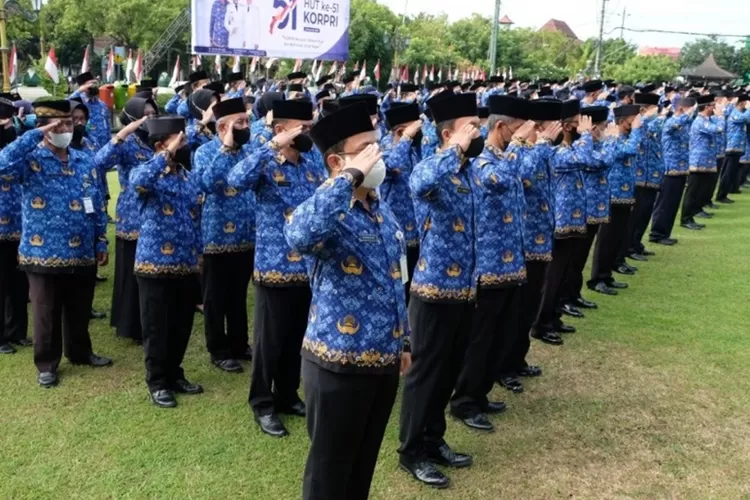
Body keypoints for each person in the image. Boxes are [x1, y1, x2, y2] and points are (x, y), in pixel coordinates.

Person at [283, 101, 410, 500]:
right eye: (367, 149)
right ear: (337, 160)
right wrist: (346, 177)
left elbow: (395, 279)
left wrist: (403, 341)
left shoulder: (378, 207)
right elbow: (299, 235)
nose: (379, 155)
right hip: (337, 362)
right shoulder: (328, 209)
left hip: (383, 359)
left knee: (362, 462)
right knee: (329, 470)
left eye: (379, 145)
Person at [398, 91, 481, 489]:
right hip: (432, 290)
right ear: (449, 133)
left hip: (464, 289)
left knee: (448, 371)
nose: (476, 133)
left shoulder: (468, 171)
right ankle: (411, 451)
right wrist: (455, 148)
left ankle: (434, 439)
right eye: (470, 127)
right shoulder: (432, 167)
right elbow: (420, 181)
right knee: (425, 375)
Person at [0, 100, 111, 387]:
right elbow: (2, 165)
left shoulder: (84, 159)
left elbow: (96, 202)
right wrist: (32, 135)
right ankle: (47, 363)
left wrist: (100, 240)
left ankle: (80, 351)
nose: (65, 128)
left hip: (82, 248)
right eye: (57, 124)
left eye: (69, 123)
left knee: (79, 306)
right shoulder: (29, 159)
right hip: (43, 251)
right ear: (44, 128)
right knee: (46, 310)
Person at [227, 99, 320, 437]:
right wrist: (271, 147)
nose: (309, 133)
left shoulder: (311, 164)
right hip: (275, 267)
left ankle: (287, 394)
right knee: (269, 343)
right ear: (282, 130)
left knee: (296, 338)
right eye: (303, 128)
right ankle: (263, 404)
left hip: (307, 268)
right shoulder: (265, 161)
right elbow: (236, 178)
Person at [449, 95, 530, 432]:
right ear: (501, 127)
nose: (520, 137)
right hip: (488, 266)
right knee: (480, 338)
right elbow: (500, 181)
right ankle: (464, 401)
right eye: (516, 130)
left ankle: (480, 394)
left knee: (498, 334)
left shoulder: (504, 157)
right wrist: (521, 146)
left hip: (510, 264)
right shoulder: (482, 161)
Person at [130, 117, 203, 408]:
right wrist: (165, 154)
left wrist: (198, 254)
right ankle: (158, 381)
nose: (185, 146)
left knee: (181, 325)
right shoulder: (147, 173)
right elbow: (138, 182)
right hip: (154, 265)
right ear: (162, 145)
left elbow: (195, 216)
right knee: (157, 327)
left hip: (185, 263)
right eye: (180, 141)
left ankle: (175, 373)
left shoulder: (187, 176)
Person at [198, 98, 255, 373]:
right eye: (240, 122)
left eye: (247, 121)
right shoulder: (205, 152)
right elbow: (206, 184)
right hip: (216, 237)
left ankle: (239, 343)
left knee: (238, 294)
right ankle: (218, 349)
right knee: (215, 296)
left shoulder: (251, 151)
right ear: (222, 127)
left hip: (247, 235)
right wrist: (225, 149)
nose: (246, 126)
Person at [96, 97, 158, 344]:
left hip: (156, 213)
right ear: (132, 117)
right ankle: (129, 324)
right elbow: (99, 162)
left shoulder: (158, 140)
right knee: (130, 272)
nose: (149, 118)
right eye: (144, 114)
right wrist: (122, 134)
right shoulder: (127, 143)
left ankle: (150, 321)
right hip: (132, 215)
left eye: (153, 113)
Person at [531, 100, 593, 343]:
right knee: (553, 275)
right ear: (567, 127)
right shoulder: (555, 152)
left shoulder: (566, 149)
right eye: (578, 125)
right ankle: (541, 322)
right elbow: (584, 159)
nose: (583, 129)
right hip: (560, 220)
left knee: (563, 272)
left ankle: (553, 316)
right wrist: (587, 136)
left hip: (573, 219)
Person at [517, 100, 563, 349]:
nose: (556, 133)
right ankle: (507, 364)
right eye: (551, 128)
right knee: (520, 308)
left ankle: (518, 358)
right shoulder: (523, 152)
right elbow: (523, 175)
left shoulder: (544, 153)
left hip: (542, 239)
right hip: (525, 243)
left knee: (532, 302)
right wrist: (543, 143)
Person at [560, 106, 612, 317]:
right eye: (601, 128)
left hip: (590, 207)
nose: (605, 131)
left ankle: (573, 293)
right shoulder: (581, 146)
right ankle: (564, 298)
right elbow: (599, 162)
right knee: (572, 259)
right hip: (582, 208)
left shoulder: (587, 145)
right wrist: (606, 141)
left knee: (580, 258)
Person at [588, 104, 643, 295]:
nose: (635, 124)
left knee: (617, 238)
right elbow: (629, 151)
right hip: (612, 194)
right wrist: (636, 130)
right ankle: (597, 278)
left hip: (625, 194)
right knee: (606, 239)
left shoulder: (624, 137)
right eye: (632, 121)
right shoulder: (612, 139)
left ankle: (607, 274)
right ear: (622, 121)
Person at [381, 102, 423, 301]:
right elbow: (390, 166)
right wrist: (405, 138)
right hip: (396, 234)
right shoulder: (387, 150)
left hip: (416, 232)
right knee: (399, 288)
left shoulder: (413, 152)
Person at [0, 98, 30, 355]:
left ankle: (17, 331)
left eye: (10, 121)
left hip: (20, 225)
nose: (8, 126)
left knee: (19, 283)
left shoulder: (15, 146)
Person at [649, 97, 695, 245]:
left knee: (673, 204)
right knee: (665, 204)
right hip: (670, 169)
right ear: (681, 109)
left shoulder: (684, 123)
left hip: (681, 169)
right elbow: (674, 125)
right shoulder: (669, 122)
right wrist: (687, 114)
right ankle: (656, 233)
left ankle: (665, 233)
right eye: (690, 109)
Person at [627, 92, 664, 262]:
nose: (657, 113)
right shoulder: (637, 124)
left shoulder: (652, 123)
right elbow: (639, 138)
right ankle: (629, 246)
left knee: (645, 213)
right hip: (639, 176)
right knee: (636, 215)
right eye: (653, 109)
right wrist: (647, 118)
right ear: (643, 110)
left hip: (652, 175)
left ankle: (637, 243)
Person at [681, 95, 724, 231]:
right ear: (706, 107)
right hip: (698, 161)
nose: (714, 108)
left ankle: (695, 210)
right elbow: (718, 129)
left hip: (707, 161)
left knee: (702, 189)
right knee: (692, 191)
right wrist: (721, 116)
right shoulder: (699, 121)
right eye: (712, 106)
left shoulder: (707, 120)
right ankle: (686, 218)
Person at [717, 94, 750, 203]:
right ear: (741, 103)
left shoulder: (739, 112)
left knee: (732, 171)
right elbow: (746, 118)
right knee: (727, 172)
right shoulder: (734, 113)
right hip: (732, 147)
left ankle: (729, 190)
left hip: (738, 147)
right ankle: (721, 195)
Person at [69, 72, 111, 151]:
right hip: (88, 146)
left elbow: (108, 126)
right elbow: (66, 103)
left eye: (96, 83)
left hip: (103, 146)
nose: (95, 86)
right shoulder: (78, 102)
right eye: (91, 84)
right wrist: (79, 90)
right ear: (83, 87)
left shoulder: (102, 104)